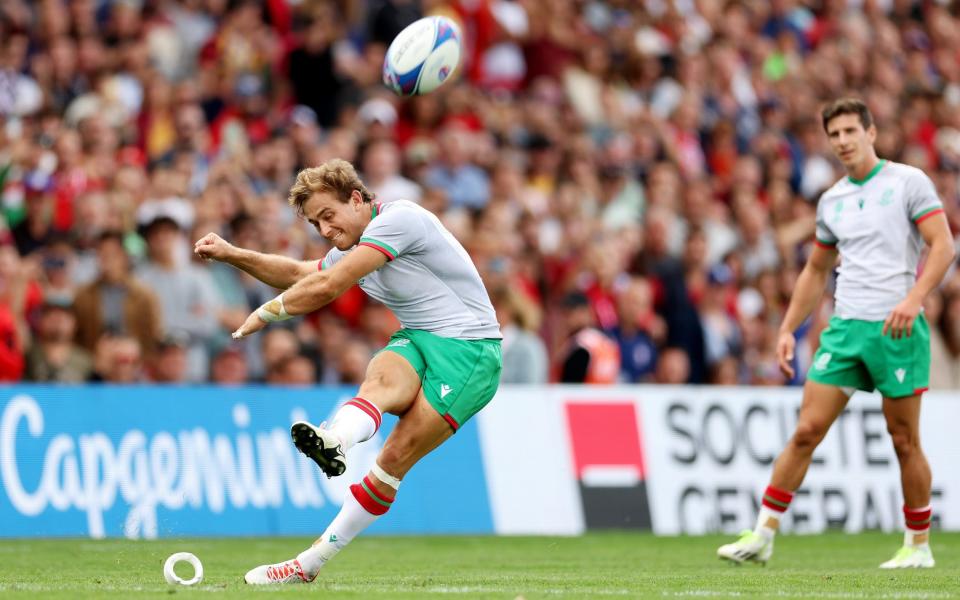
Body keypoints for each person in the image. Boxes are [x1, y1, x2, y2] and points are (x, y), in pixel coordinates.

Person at [194, 158, 502, 584]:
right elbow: (298, 273)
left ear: (356, 199)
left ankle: (309, 564)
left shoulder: (400, 220)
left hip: (472, 352)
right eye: (316, 223)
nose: (324, 231)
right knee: (378, 376)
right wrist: (232, 254)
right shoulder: (350, 248)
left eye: (328, 215)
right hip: (420, 337)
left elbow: (326, 286)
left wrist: (264, 314)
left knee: (392, 459)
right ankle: (335, 439)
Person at [717, 98, 955, 569]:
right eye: (834, 135)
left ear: (871, 132)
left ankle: (918, 546)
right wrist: (788, 327)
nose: (843, 141)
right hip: (845, 328)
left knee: (903, 439)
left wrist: (914, 299)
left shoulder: (907, 182)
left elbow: (943, 245)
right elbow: (814, 270)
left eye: (850, 131)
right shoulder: (832, 201)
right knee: (806, 430)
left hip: (896, 327)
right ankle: (763, 534)